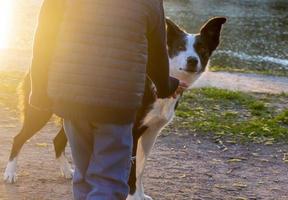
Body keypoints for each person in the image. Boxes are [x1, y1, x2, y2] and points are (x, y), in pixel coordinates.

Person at [29, 0, 185, 199]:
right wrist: (165, 87)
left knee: (83, 175)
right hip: (118, 101)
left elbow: (44, 40)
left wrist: (40, 92)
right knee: (109, 181)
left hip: (71, 97)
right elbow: (157, 53)